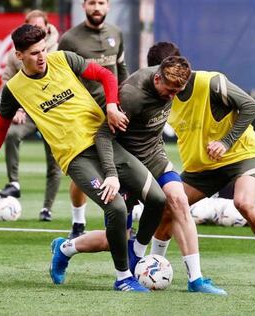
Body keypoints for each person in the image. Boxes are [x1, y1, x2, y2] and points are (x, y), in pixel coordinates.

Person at [0, 24, 166, 292]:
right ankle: (123, 279)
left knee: (157, 200)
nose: (42, 56)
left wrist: (110, 105)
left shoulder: (64, 59)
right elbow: (0, 126)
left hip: (104, 142)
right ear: (19, 56)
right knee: (117, 208)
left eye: (44, 49)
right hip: (75, 158)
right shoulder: (15, 88)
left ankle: (134, 257)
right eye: (35, 53)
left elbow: (106, 75)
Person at [149, 42, 255, 289]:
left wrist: (225, 142)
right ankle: (152, 266)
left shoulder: (211, 82)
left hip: (241, 155)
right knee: (168, 208)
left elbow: (250, 106)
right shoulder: (159, 93)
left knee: (244, 203)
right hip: (200, 167)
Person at [95, 55, 227, 295]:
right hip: (127, 161)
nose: (172, 97)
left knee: (179, 201)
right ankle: (66, 249)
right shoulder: (132, 96)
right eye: (168, 91)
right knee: (110, 240)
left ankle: (195, 279)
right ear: (157, 78)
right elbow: (103, 136)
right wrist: (111, 173)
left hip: (155, 155)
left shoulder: (172, 80)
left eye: (178, 92)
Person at [58, 0, 129, 238]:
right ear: (83, 6)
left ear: (108, 5)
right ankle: (78, 223)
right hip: (84, 116)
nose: (96, 8)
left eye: (101, 3)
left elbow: (121, 70)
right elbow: (61, 78)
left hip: (114, 111)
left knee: (123, 164)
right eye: (91, 3)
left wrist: (124, 101)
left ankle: (125, 217)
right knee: (83, 171)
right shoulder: (69, 39)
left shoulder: (117, 34)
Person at [0, 10, 61, 221]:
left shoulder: (59, 50)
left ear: (47, 27)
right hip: (29, 112)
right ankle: (13, 183)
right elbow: (7, 82)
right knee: (12, 134)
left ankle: (47, 208)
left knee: (55, 162)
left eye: (39, 27)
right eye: (32, 26)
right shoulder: (16, 54)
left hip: (53, 113)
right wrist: (16, 108)